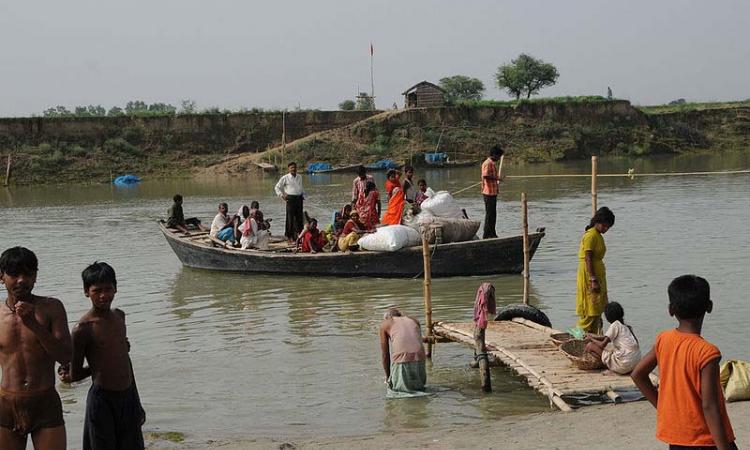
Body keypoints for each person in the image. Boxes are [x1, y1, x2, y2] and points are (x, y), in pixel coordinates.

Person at [631, 275, 736, 449]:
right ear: (709, 307)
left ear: (671, 310)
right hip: (706, 440)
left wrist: (662, 407)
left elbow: (638, 374)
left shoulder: (663, 339)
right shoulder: (707, 352)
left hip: (678, 440)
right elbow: (709, 406)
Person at [58, 262, 145, 450]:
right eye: (97, 291)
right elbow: (75, 375)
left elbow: (125, 362)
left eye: (108, 289)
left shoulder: (120, 317)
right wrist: (97, 367)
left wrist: (137, 403)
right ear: (86, 292)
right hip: (102, 401)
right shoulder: (82, 329)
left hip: (128, 397)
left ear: (116, 288)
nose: (104, 295)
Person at [0, 247, 72, 450]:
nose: (22, 280)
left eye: (28, 274)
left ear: (35, 277)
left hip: (44, 401)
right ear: (1, 277)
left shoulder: (51, 308)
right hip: (7, 402)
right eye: (14, 274)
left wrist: (33, 324)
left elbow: (65, 355)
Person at [575, 206, 615, 334]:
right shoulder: (591, 235)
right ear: (598, 222)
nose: (606, 229)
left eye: (608, 227)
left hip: (597, 273)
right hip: (589, 274)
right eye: (604, 226)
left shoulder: (597, 235)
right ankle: (576, 336)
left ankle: (593, 339)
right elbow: (588, 258)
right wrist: (593, 279)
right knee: (590, 311)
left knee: (597, 310)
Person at [379, 308, 426, 395]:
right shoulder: (414, 320)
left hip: (402, 359)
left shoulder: (385, 324)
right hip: (420, 357)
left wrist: (388, 378)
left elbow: (385, 355)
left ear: (387, 318)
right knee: (419, 389)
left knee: (399, 392)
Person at [584, 302, 641, 374]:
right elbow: (606, 337)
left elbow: (602, 344)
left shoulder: (615, 325)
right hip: (635, 363)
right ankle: (615, 365)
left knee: (590, 346)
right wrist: (592, 335)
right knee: (611, 347)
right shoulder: (627, 327)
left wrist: (591, 339)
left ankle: (610, 367)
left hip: (624, 365)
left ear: (608, 317)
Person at [274, 162, 305, 243]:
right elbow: (277, 187)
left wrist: (303, 194)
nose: (293, 169)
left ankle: (300, 236)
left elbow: (301, 187)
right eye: (291, 168)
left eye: (294, 167)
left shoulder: (299, 177)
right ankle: (289, 237)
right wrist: (282, 196)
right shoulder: (285, 177)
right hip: (290, 199)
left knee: (299, 218)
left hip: (299, 199)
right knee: (290, 218)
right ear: (289, 169)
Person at [481, 146, 505, 239]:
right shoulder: (488, 163)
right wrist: (497, 178)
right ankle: (487, 235)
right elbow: (486, 175)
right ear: (494, 155)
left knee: (493, 214)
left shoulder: (491, 163)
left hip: (492, 192)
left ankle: (492, 233)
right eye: (498, 156)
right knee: (490, 214)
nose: (499, 159)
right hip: (488, 192)